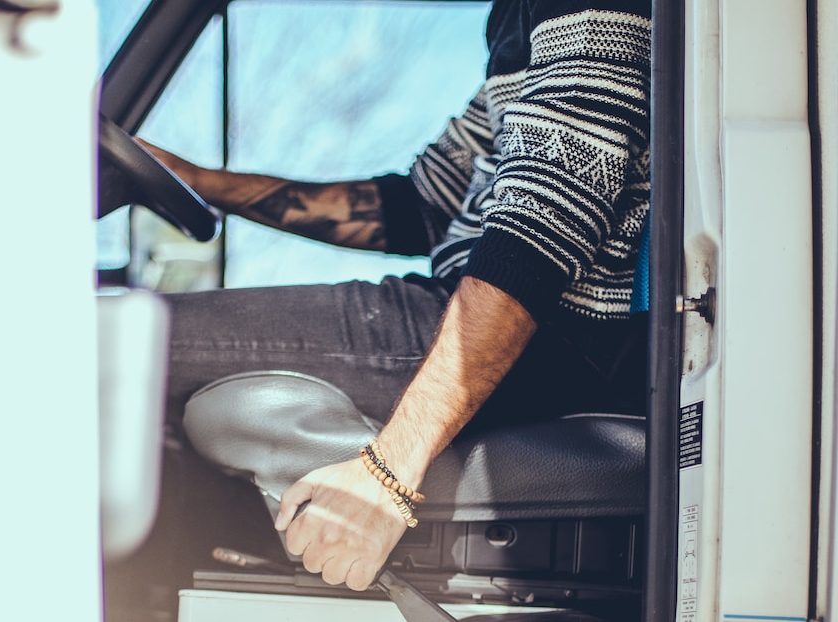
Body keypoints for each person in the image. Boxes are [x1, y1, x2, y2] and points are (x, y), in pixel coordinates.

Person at [146, 0, 651, 593]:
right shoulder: (514, 20)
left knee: (123, 343)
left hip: (538, 327)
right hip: (466, 300)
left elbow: (541, 228)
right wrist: (197, 181)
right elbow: (422, 204)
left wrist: (389, 474)